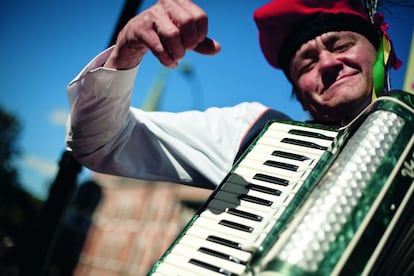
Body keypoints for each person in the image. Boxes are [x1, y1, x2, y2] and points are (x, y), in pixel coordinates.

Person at [65, 0, 401, 189]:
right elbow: (101, 143)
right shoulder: (256, 136)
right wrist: (126, 51)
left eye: (341, 45)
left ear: (382, 54)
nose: (327, 63)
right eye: (307, 63)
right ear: (299, 94)